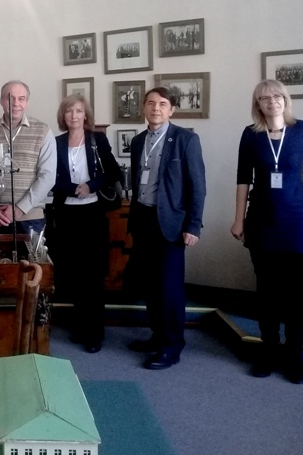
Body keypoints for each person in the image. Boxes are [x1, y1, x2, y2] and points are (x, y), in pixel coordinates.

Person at [230, 79, 303, 383]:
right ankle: (268, 351)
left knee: (295, 296)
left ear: (286, 100)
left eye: (277, 96)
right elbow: (242, 179)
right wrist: (238, 219)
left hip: (298, 224)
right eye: (265, 98)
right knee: (267, 294)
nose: (272, 101)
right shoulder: (250, 135)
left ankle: (293, 357)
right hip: (261, 223)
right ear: (258, 105)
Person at [127, 87, 206, 370]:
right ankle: (157, 336)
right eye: (150, 103)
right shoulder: (138, 141)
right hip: (143, 220)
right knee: (150, 285)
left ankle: (172, 346)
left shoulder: (186, 139)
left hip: (171, 224)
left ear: (171, 109)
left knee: (169, 288)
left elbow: (198, 185)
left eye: (162, 104)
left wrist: (193, 225)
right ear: (144, 108)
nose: (156, 108)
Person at [50, 94, 121, 354]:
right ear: (63, 116)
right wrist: (72, 189)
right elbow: (49, 177)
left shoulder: (97, 140)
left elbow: (113, 172)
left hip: (93, 214)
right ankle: (80, 326)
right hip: (66, 215)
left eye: (78, 111)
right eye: (69, 111)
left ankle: (95, 333)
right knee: (73, 274)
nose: (74, 116)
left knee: (93, 275)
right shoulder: (56, 142)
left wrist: (90, 185)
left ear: (85, 115)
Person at [0, 80, 57, 235]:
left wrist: (20, 208)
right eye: (10, 98)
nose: (15, 103)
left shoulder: (43, 132)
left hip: (31, 219)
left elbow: (48, 177)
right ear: (1, 100)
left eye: (21, 99)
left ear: (27, 102)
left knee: (31, 253)